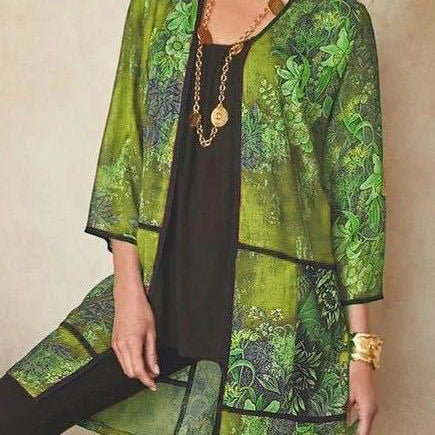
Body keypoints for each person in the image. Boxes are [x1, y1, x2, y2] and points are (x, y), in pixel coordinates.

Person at [0, 0, 387, 434]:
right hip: (160, 293)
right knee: (12, 414)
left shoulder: (336, 20)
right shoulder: (158, 8)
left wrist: (362, 354)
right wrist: (128, 295)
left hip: (274, 319)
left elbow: (356, 190)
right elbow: (124, 154)